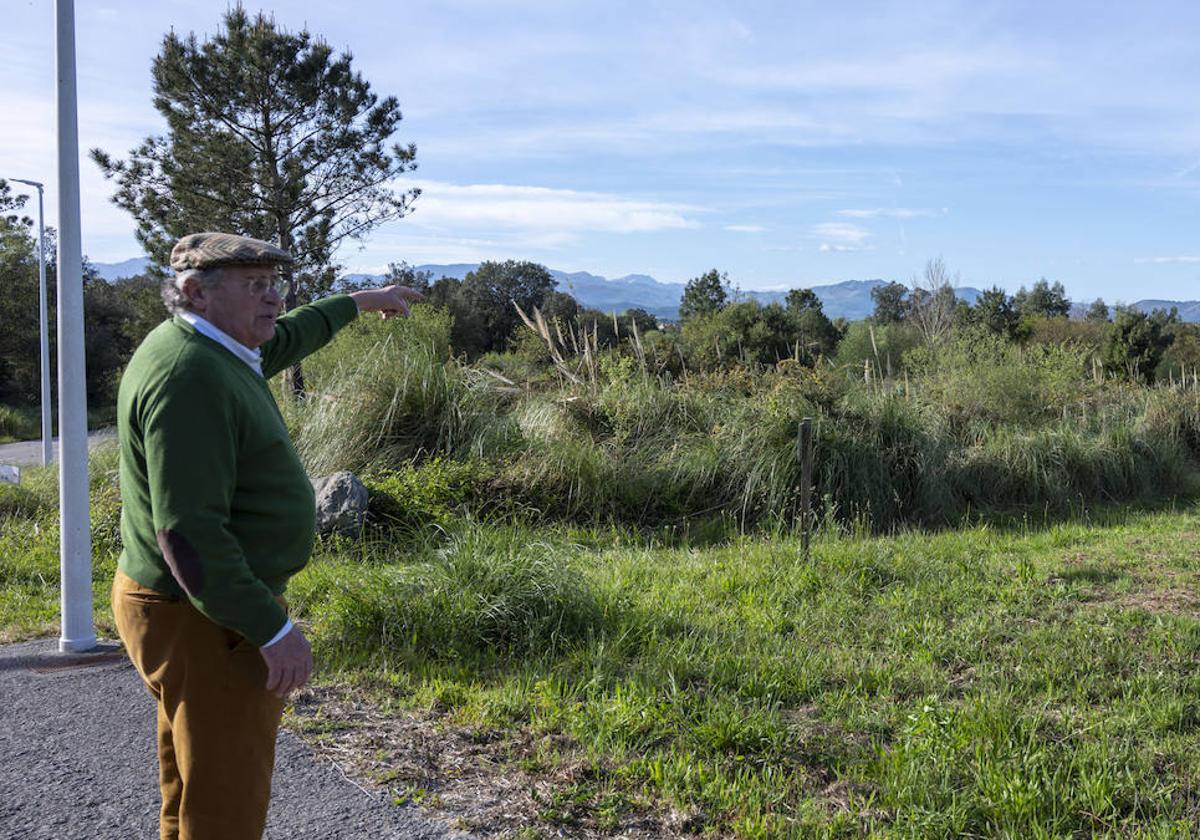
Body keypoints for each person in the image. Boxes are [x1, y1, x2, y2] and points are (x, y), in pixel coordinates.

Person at [110, 231, 422, 840]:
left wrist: (361, 301)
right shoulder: (190, 377)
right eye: (254, 285)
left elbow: (288, 335)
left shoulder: (211, 346)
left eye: (274, 283)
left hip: (188, 608)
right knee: (225, 802)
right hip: (206, 618)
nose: (273, 298)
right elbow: (189, 532)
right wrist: (271, 629)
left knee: (194, 788)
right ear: (197, 292)